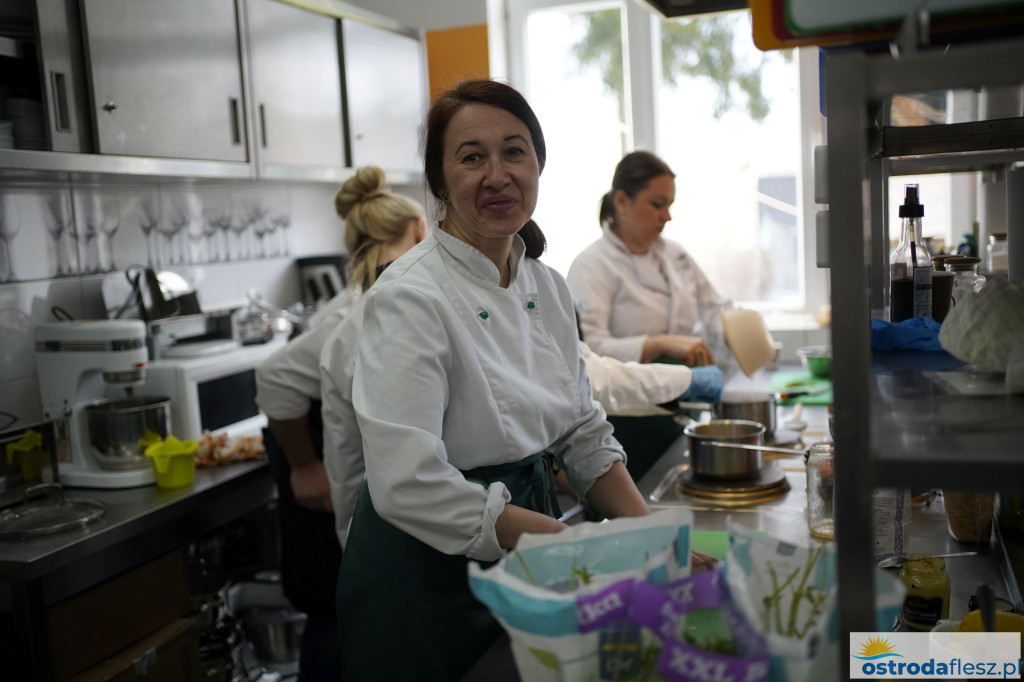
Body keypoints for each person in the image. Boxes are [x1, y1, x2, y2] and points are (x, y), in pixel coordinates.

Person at [333, 79, 655, 681]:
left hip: (523, 540)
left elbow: (581, 430)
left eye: (514, 151)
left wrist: (654, 536)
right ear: (439, 183)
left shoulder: (547, 285)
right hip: (425, 570)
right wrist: (567, 545)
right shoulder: (409, 297)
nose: (497, 174)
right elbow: (408, 481)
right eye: (471, 157)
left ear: (538, 164)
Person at [253, 165, 426, 681]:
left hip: (345, 472)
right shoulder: (354, 310)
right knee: (334, 616)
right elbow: (276, 377)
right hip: (323, 482)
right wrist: (306, 466)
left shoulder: (378, 292)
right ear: (417, 231)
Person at [566, 150, 731, 480]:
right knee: (644, 497)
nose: (667, 216)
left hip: (678, 403)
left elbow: (716, 308)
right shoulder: (591, 266)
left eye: (669, 205)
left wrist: (750, 338)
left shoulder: (673, 253)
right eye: (658, 205)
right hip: (627, 418)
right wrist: (661, 344)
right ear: (622, 201)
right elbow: (591, 351)